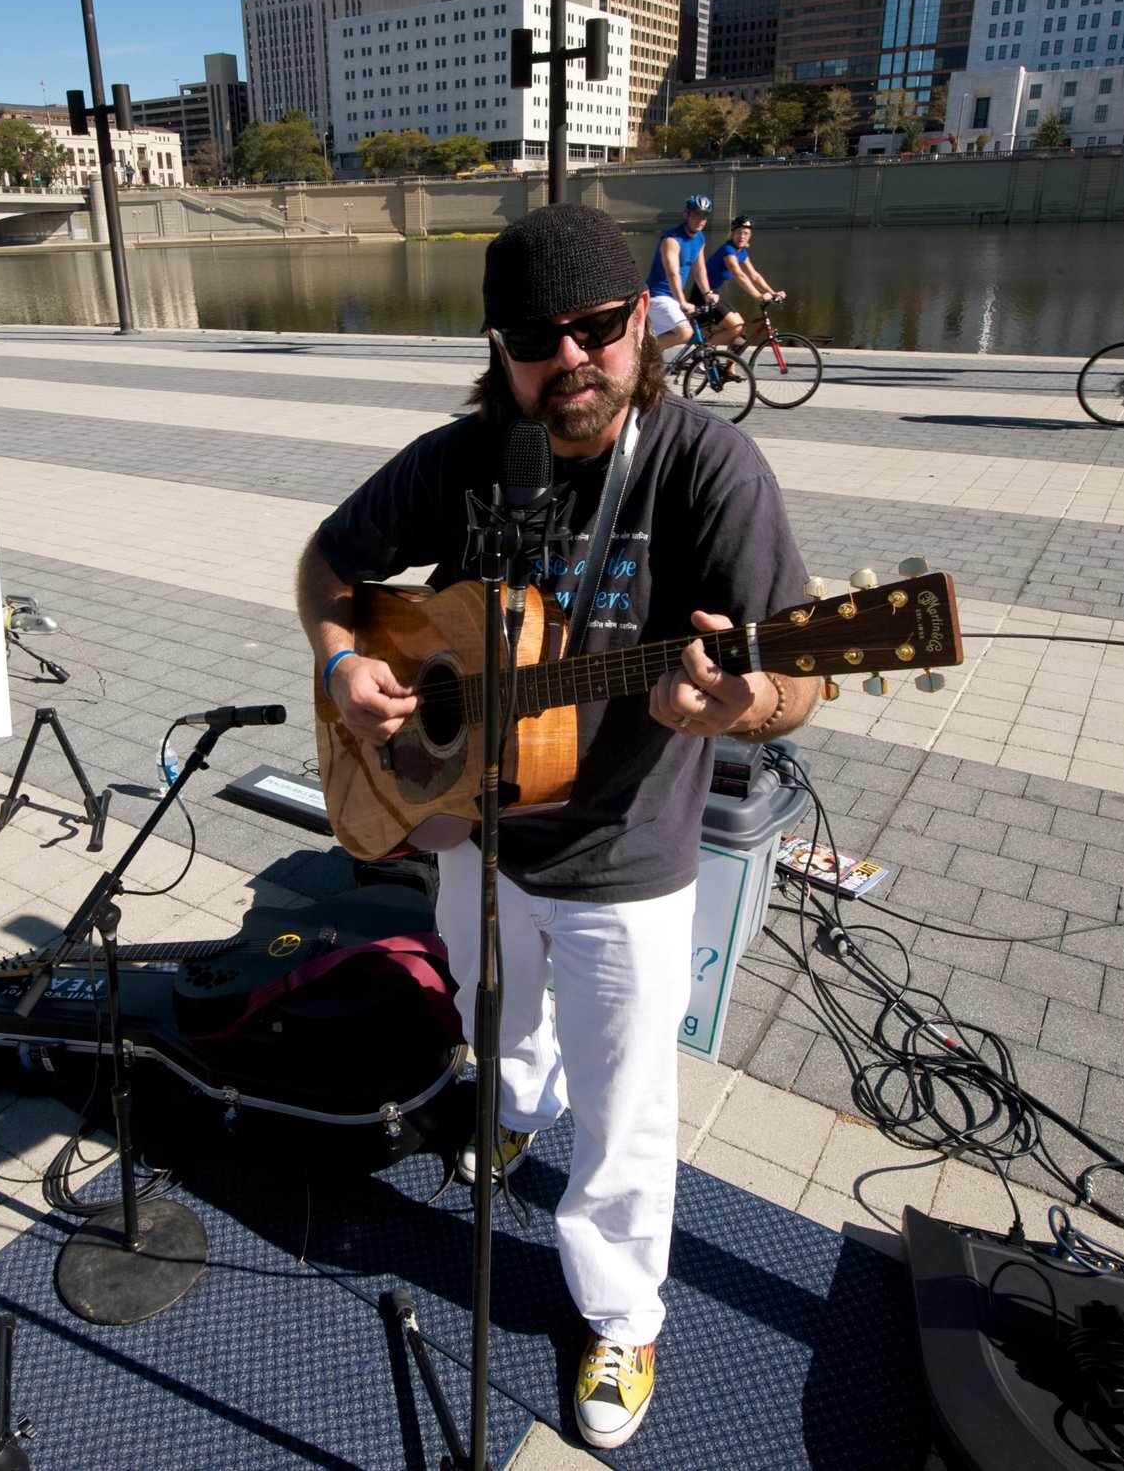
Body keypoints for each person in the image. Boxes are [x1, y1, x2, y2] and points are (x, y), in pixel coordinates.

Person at [296, 202, 820, 1451]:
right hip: (472, 828)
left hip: (622, 855)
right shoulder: (462, 456)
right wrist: (338, 666)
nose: (571, 359)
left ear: (638, 322)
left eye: (596, 328)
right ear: (502, 346)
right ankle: (506, 1103)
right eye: (540, 339)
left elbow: (798, 672)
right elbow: (327, 565)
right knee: (490, 1016)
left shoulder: (708, 467)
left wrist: (747, 697)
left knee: (625, 1107)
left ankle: (622, 1315)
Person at [644, 193, 742, 358]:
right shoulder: (671, 239)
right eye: (697, 215)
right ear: (686, 214)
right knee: (685, 333)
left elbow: (699, 269)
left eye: (704, 216)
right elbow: (672, 273)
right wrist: (682, 301)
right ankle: (642, 354)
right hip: (658, 296)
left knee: (682, 331)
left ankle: (649, 352)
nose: (701, 220)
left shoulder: (699, 238)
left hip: (673, 297)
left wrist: (707, 293)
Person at [707, 216, 783, 312]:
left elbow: (754, 276)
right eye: (738, 232)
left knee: (738, 324)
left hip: (714, 292)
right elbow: (739, 275)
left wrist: (772, 293)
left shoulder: (742, 252)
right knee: (736, 325)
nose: (742, 236)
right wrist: (758, 296)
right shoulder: (727, 250)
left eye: (745, 233)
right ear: (732, 234)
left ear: (750, 235)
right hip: (703, 292)